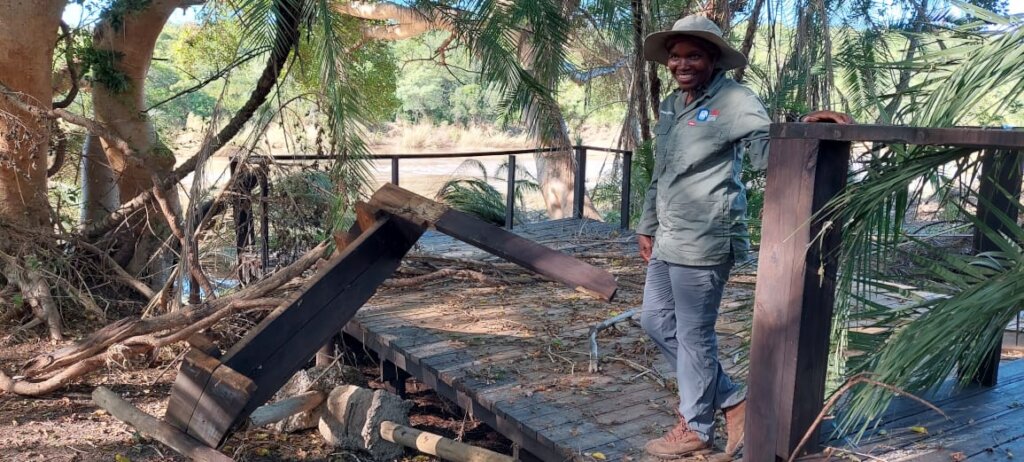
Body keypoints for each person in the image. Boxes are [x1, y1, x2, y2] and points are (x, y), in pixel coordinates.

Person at [636, 15, 853, 459]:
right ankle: (734, 400)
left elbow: (767, 150)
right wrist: (647, 224)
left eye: (694, 55)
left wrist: (804, 127)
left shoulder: (735, 100)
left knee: (694, 336)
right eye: (675, 56)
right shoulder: (672, 104)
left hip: (705, 237)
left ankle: (696, 427)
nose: (682, 64)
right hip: (669, 234)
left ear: (713, 59)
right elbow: (662, 170)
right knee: (654, 322)